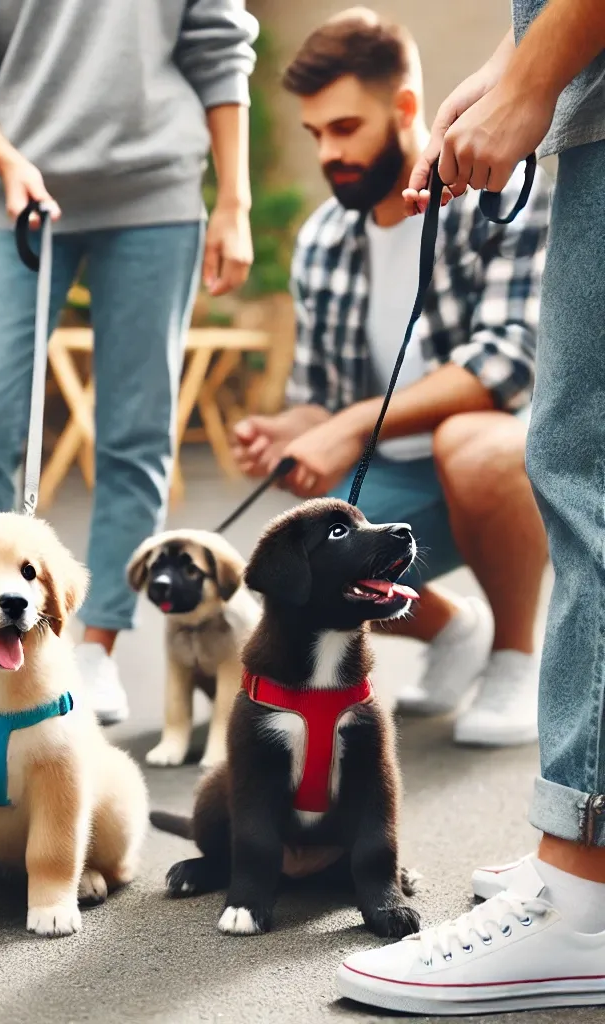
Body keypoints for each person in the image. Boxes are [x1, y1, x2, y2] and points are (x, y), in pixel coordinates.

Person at [334, 1, 605, 1014]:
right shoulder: (327, 236)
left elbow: (498, 365)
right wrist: (512, 61)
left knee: (584, 461)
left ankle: (582, 893)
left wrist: (533, 79)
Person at [0, 0, 258, 725]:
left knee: (135, 430)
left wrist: (234, 200)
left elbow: (219, 49)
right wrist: (5, 158)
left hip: (156, 191)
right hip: (17, 187)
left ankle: (90, 646)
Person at [230, 9, 552, 748]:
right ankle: (451, 629)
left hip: (506, 463)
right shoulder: (322, 238)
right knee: (307, 529)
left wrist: (344, 428)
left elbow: (507, 362)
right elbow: (321, 395)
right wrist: (288, 432)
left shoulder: (501, 200)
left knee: (473, 443)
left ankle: (514, 653)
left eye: (344, 128)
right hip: (397, 477)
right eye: (315, 135)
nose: (327, 153)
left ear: (406, 108)